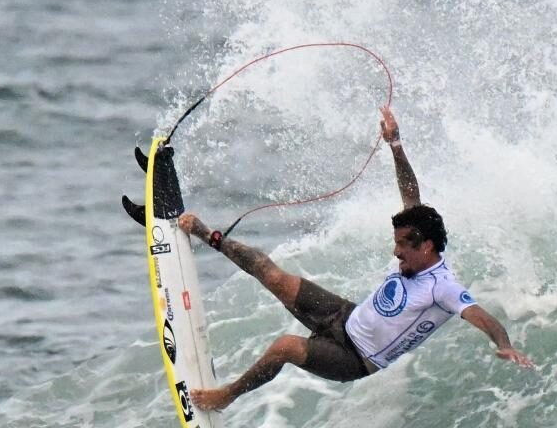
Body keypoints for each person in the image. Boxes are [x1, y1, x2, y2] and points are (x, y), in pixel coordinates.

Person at [179, 106, 533, 411]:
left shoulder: (444, 288)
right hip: (345, 315)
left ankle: (227, 396)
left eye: (402, 247)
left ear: (425, 246)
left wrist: (505, 345)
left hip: (356, 359)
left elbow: (485, 319)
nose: (395, 252)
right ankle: (207, 234)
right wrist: (395, 145)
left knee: (285, 346)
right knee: (272, 275)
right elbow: (411, 195)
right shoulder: (415, 234)